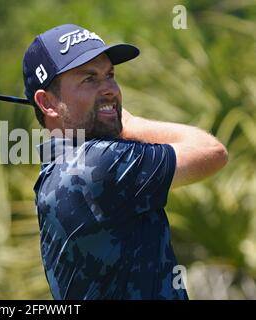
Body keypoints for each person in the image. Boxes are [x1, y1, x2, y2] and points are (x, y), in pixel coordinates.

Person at [22, 24, 228, 299]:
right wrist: (129, 122)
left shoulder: (58, 169)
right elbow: (212, 152)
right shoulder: (97, 165)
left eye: (110, 75)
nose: (110, 89)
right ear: (47, 103)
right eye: (89, 79)